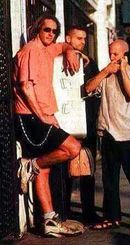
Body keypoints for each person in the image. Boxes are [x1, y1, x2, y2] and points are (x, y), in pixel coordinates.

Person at [13, 14, 86, 237]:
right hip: (31, 117)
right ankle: (29, 165)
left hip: (43, 116)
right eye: (47, 30)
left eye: (54, 31)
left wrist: (70, 50)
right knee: (73, 148)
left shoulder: (48, 47)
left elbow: (63, 45)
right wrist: (43, 116)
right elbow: (26, 87)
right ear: (37, 29)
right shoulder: (30, 50)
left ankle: (49, 220)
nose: (50, 34)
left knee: (44, 170)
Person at [85, 39, 130, 231]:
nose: (112, 57)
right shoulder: (105, 75)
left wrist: (121, 70)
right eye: (110, 53)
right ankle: (112, 217)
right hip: (108, 132)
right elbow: (88, 88)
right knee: (109, 180)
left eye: (115, 54)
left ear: (125, 55)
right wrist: (106, 71)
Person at [65, 25, 101, 225]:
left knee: (88, 168)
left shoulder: (90, 63)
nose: (83, 42)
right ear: (68, 39)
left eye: (84, 39)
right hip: (66, 121)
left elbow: (93, 90)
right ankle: (64, 209)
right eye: (78, 38)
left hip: (87, 121)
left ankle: (88, 211)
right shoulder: (58, 59)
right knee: (65, 169)